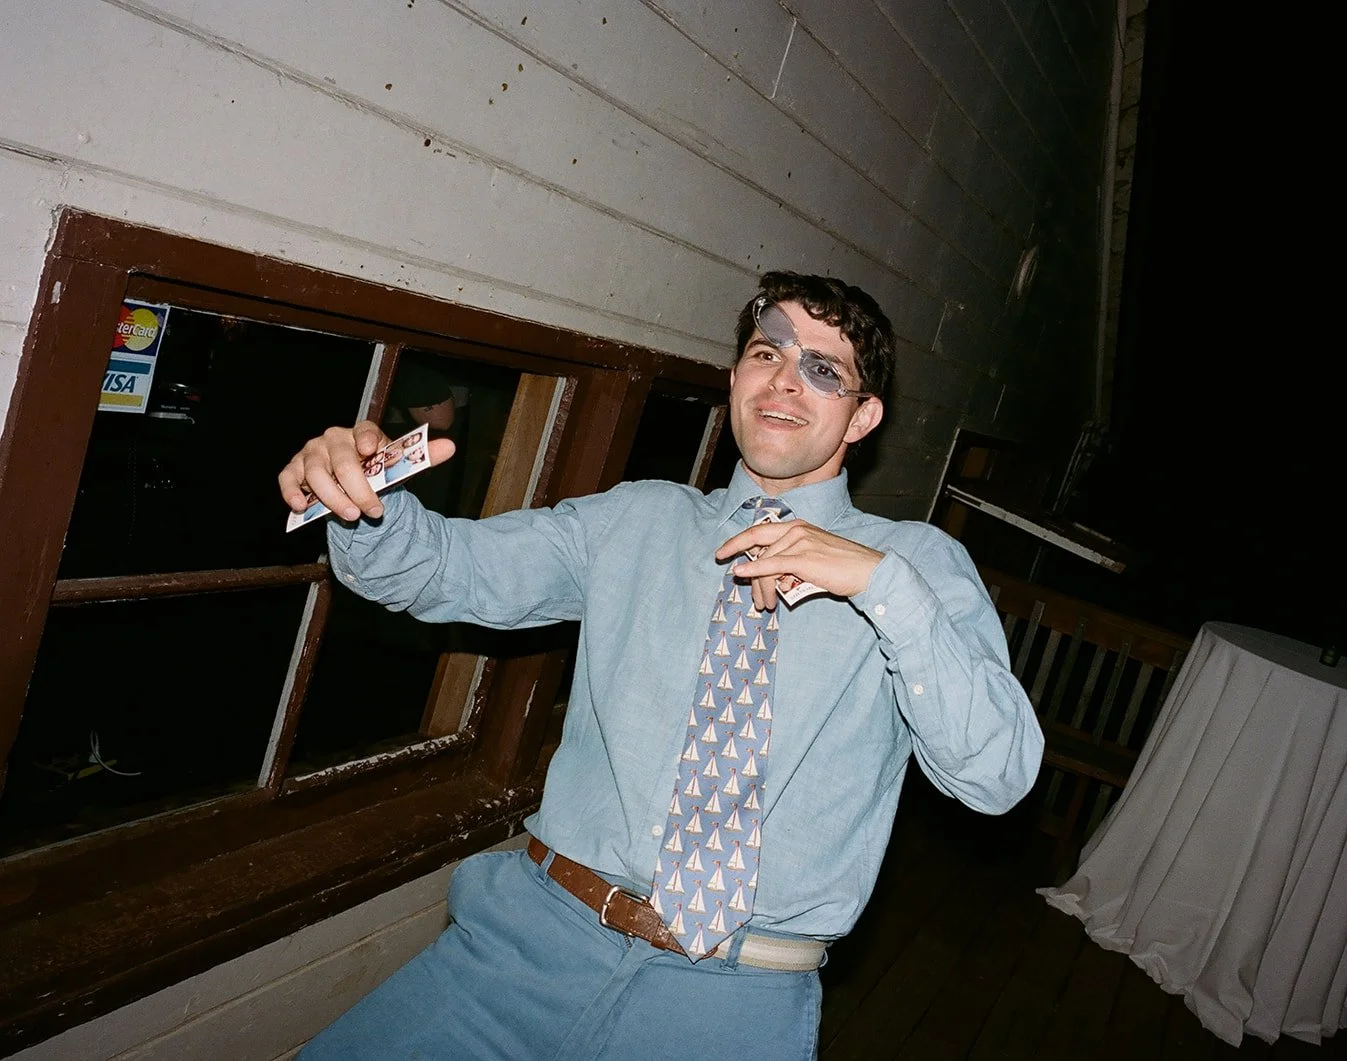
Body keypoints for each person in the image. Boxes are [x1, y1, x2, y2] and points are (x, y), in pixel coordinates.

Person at [280, 271, 1044, 1061]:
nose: (786, 380)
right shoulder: (637, 517)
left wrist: (882, 587)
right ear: (736, 377)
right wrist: (356, 497)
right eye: (765, 352)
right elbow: (435, 570)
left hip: (729, 1005)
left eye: (825, 369)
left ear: (864, 415)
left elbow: (997, 776)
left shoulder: (917, 566)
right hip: (524, 947)